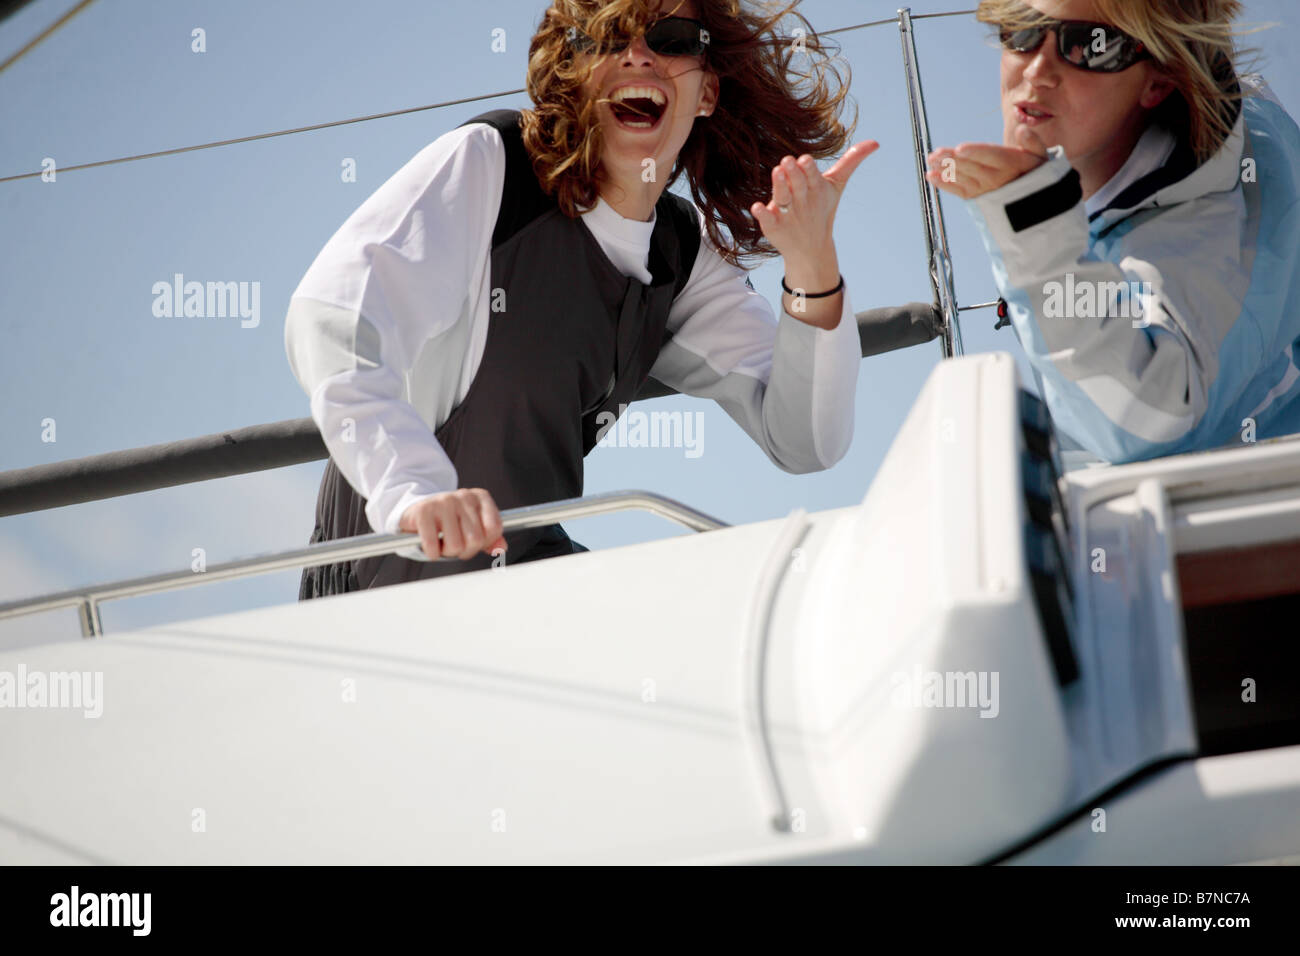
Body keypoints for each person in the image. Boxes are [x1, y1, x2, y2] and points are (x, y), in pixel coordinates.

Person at [285, 0, 876, 597]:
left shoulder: (678, 256)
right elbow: (332, 319)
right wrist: (413, 490)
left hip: (522, 580)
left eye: (672, 38)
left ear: (707, 94)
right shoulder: (493, 168)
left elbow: (805, 441)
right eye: (607, 37)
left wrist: (811, 265)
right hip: (376, 587)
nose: (639, 54)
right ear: (572, 71)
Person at [926, 0, 1300, 464]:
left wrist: (1034, 230)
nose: (1037, 71)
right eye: (1021, 30)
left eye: (1087, 46)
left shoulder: (1213, 222)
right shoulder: (1159, 179)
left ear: (1159, 80)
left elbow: (1145, 421)